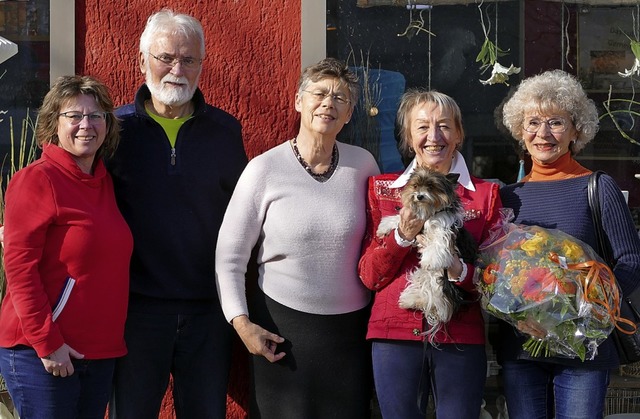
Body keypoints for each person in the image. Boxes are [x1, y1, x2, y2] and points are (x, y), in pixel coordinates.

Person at [215, 57, 380, 418]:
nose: (329, 103)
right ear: (298, 101)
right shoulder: (264, 169)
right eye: (319, 93)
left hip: (349, 336)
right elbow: (228, 260)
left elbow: (379, 247)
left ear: (350, 114)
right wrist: (242, 325)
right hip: (281, 332)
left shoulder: (364, 165)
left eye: (340, 98)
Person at [106, 9, 248, 419]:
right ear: (142, 61)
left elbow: (242, 217)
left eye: (188, 60)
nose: (176, 69)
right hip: (135, 311)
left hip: (208, 311)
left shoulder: (225, 132)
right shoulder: (115, 131)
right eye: (165, 57)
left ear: (201, 64)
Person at [498, 69, 640, 418]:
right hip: (522, 352)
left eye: (555, 123)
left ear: (576, 130)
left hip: (583, 351)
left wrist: (582, 310)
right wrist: (515, 315)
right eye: (532, 122)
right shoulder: (506, 197)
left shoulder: (597, 186)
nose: (542, 134)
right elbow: (497, 273)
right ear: (520, 130)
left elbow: (631, 261)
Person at [358, 89, 503, 419]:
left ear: (459, 134)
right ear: (409, 137)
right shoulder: (383, 189)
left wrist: (457, 268)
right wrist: (402, 237)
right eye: (422, 127)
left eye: (444, 126)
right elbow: (369, 275)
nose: (433, 137)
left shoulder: (486, 195)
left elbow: (495, 282)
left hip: (459, 334)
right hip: (393, 333)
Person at [0, 75, 133, 418]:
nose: (85, 125)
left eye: (96, 116)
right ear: (53, 124)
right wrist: (48, 343)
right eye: (73, 116)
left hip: (99, 353)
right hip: (40, 353)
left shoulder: (104, 183)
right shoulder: (36, 180)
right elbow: (19, 270)